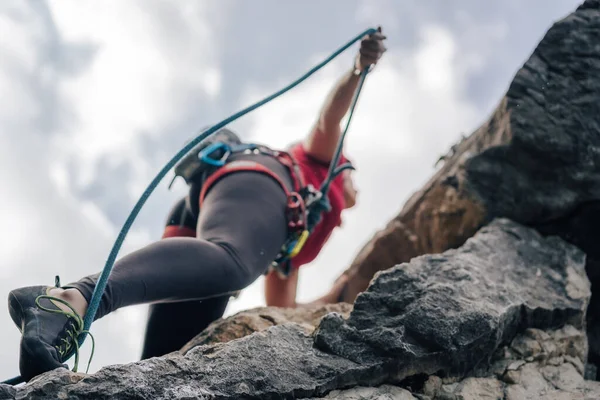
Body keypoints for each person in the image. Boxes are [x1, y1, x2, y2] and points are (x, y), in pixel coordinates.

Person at [7, 28, 387, 382]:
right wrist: (357, 71)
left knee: (171, 346)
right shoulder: (324, 166)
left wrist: (338, 295)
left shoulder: (282, 243)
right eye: (353, 174)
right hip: (253, 185)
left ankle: (64, 363)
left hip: (216, 211)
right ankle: (70, 299)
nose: (356, 188)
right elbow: (330, 118)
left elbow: (286, 307)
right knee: (232, 262)